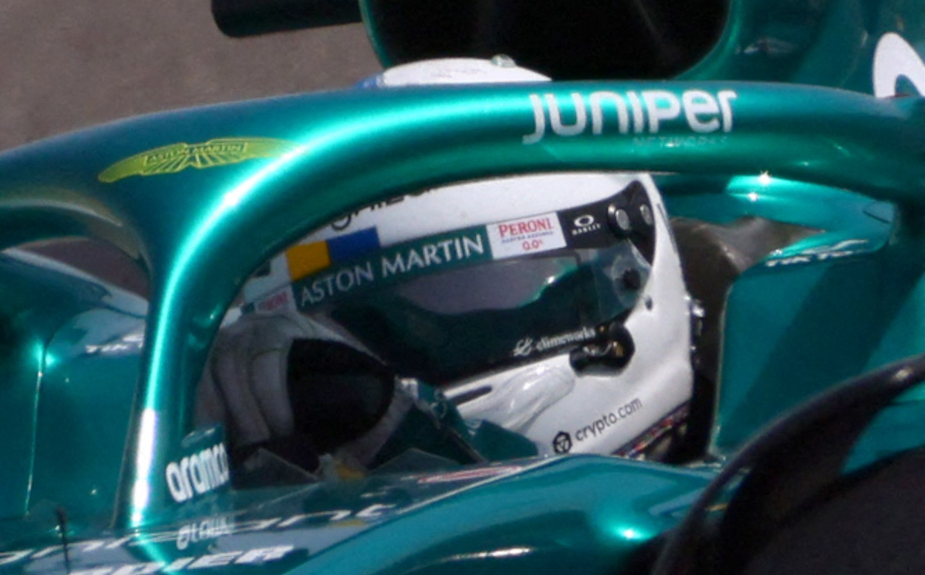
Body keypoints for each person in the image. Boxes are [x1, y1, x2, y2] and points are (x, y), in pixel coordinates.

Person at [200, 58, 695, 482]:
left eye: (470, 292)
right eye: (345, 320)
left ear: (625, 276)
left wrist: (409, 439)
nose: (370, 371)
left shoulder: (755, 506)